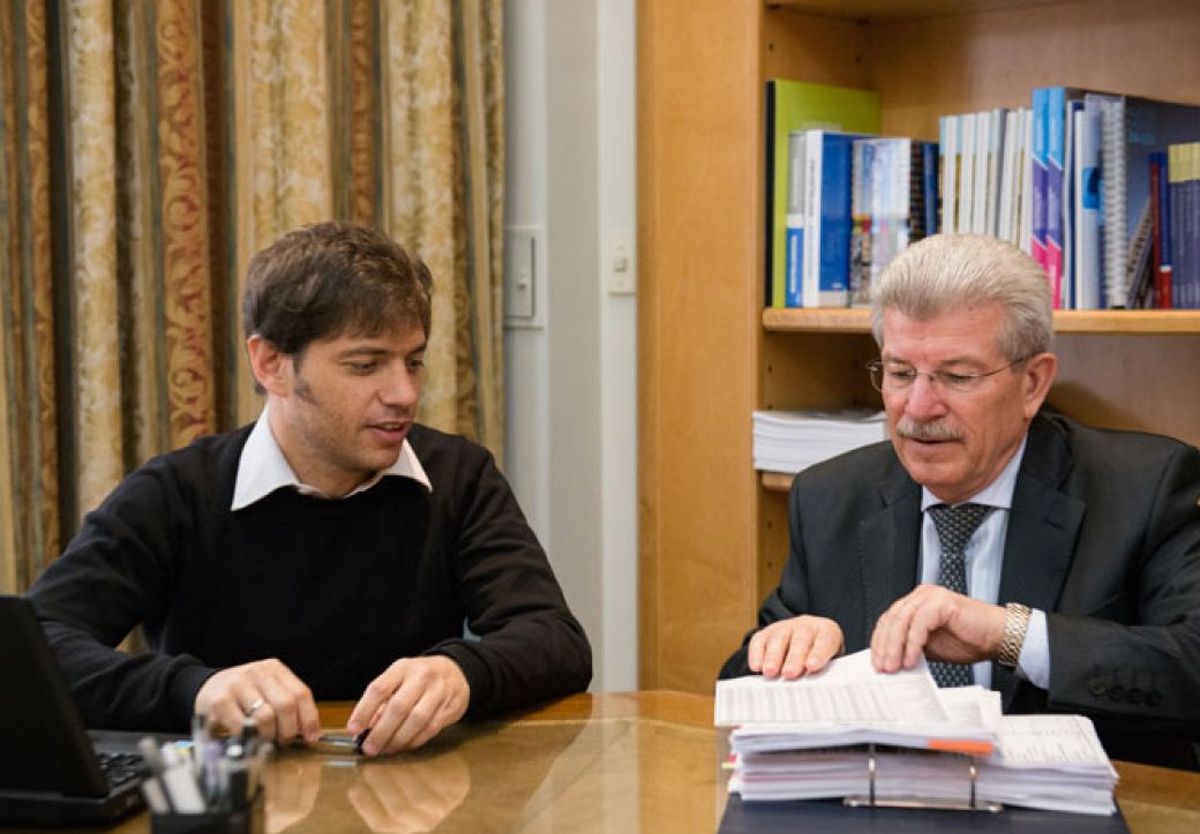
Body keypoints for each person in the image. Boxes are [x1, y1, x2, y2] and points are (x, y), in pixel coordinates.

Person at [29, 221, 591, 756]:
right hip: (231, 819)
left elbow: (553, 637)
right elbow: (38, 647)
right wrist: (195, 688)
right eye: (366, 364)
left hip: (411, 816)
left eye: (413, 361)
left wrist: (462, 672)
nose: (402, 393)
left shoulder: (458, 476)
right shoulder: (179, 492)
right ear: (272, 364)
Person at [719, 233, 1200, 768]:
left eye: (957, 376)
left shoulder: (1145, 488)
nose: (918, 407)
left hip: (1079, 830)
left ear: (1032, 384)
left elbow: (1191, 669)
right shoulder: (832, 497)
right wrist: (791, 652)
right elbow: (738, 689)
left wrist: (1007, 634)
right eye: (900, 373)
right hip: (882, 825)